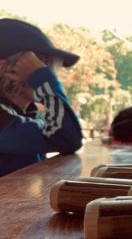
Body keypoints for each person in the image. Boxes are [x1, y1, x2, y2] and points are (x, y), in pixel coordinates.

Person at [0, 18, 82, 176]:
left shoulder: (24, 114)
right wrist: (44, 80)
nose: (49, 72)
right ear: (3, 68)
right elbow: (66, 137)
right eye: (38, 65)